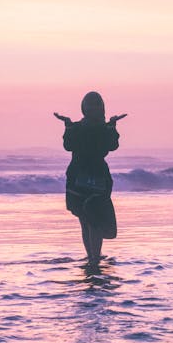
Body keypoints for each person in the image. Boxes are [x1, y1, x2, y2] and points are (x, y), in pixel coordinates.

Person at [54, 91, 126, 261]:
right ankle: (95, 256)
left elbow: (68, 146)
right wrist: (112, 126)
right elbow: (111, 146)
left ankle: (92, 256)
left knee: (86, 219)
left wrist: (68, 126)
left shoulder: (79, 127)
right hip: (97, 175)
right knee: (95, 219)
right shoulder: (102, 128)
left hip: (78, 176)